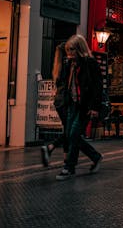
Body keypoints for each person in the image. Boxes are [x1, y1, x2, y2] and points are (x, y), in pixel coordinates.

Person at [55, 34, 104, 181]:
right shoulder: (69, 64)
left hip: (85, 106)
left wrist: (94, 107)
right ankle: (95, 157)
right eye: (68, 50)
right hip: (72, 104)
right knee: (70, 135)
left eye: (72, 50)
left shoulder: (90, 64)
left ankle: (69, 167)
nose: (69, 54)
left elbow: (97, 87)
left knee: (74, 134)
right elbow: (63, 82)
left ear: (79, 49)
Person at [41, 42, 69, 167]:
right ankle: (51, 148)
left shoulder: (57, 67)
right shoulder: (67, 64)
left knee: (67, 129)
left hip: (58, 100)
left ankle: (65, 157)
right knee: (69, 130)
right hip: (66, 100)